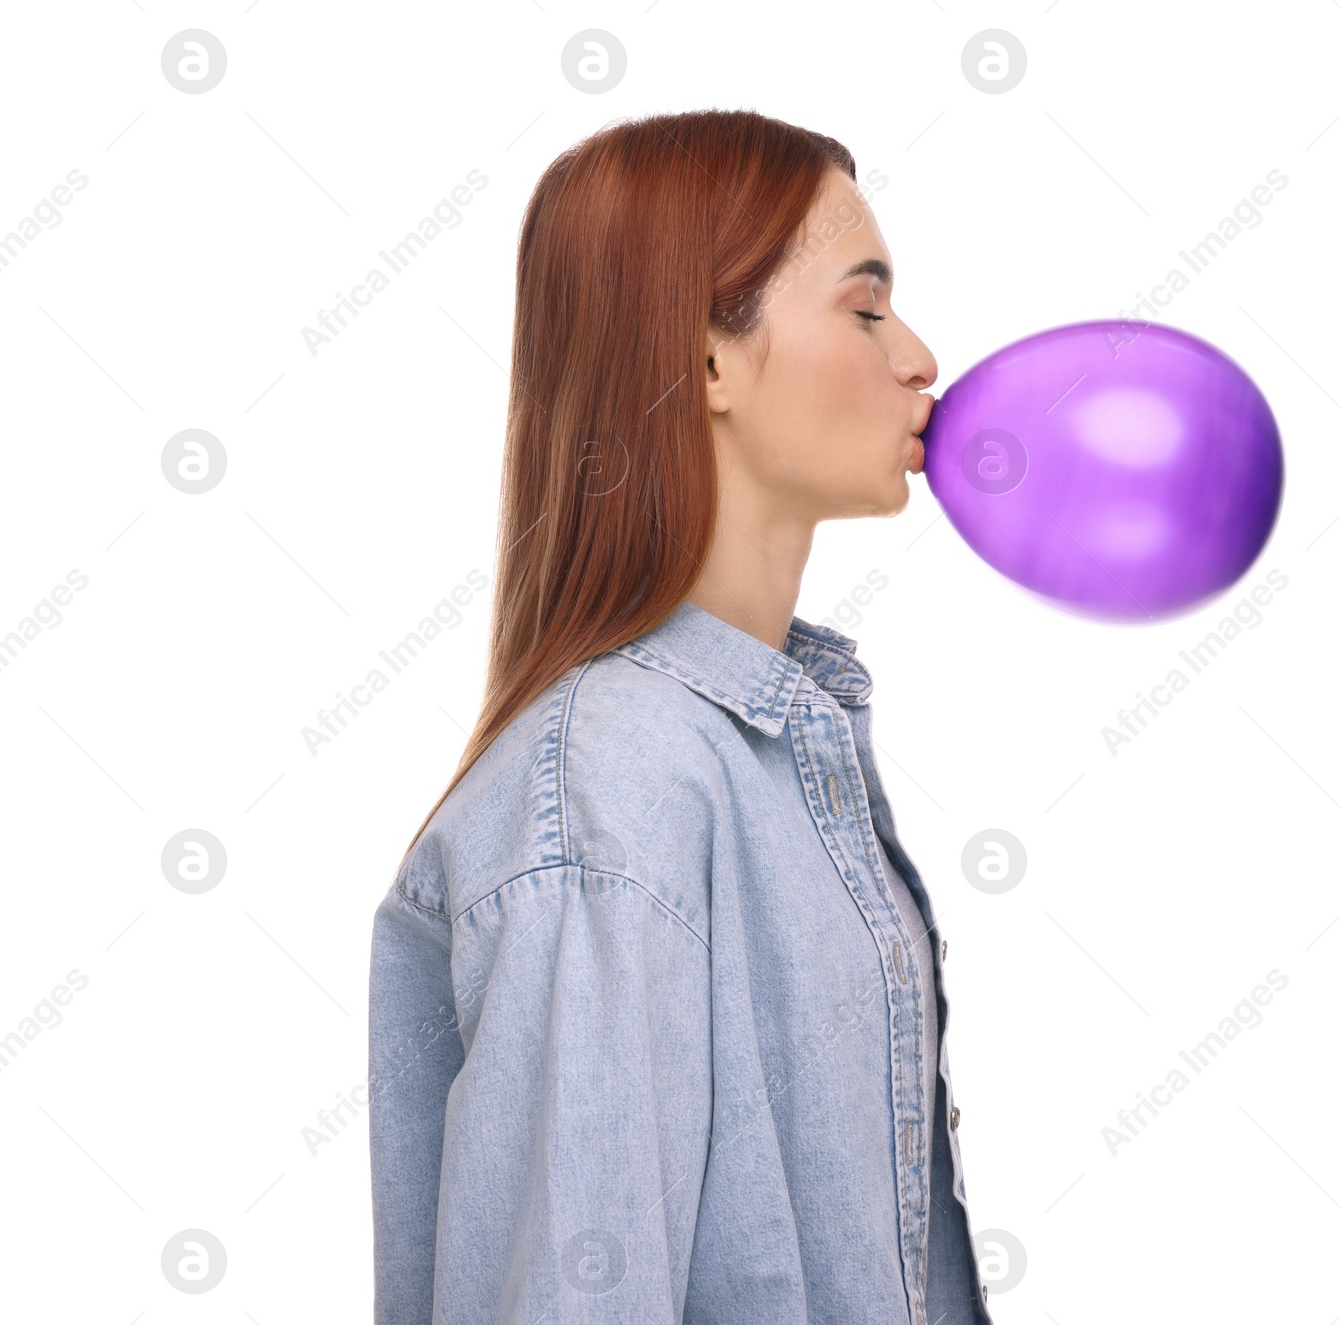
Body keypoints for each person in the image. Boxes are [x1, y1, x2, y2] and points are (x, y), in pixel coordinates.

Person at [367, 108, 992, 1325]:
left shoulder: (758, 754)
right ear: (707, 361)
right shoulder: (616, 788)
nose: (918, 356)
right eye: (865, 309)